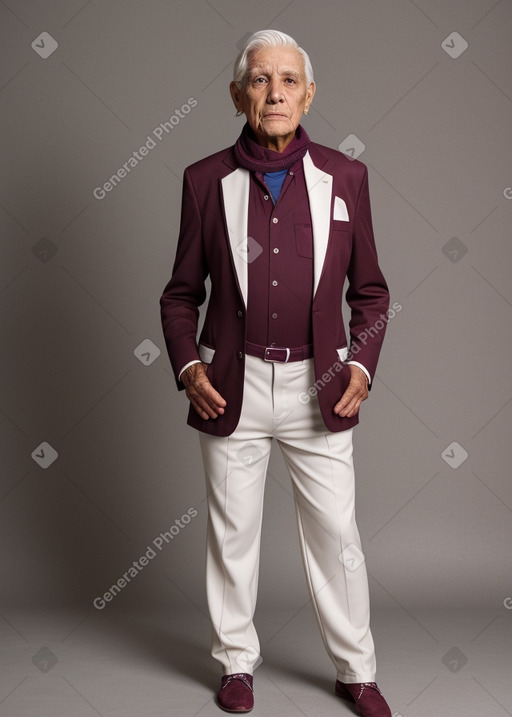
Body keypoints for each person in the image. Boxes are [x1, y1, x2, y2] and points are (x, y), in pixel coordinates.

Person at [160, 29, 392, 716]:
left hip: (319, 389)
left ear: (309, 93)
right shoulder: (204, 181)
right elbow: (180, 294)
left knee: (337, 536)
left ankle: (358, 670)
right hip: (230, 386)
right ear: (239, 94)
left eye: (289, 79)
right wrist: (187, 366)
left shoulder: (346, 178)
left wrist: (363, 363)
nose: (276, 91)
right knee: (232, 533)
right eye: (260, 79)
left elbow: (372, 292)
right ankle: (236, 662)